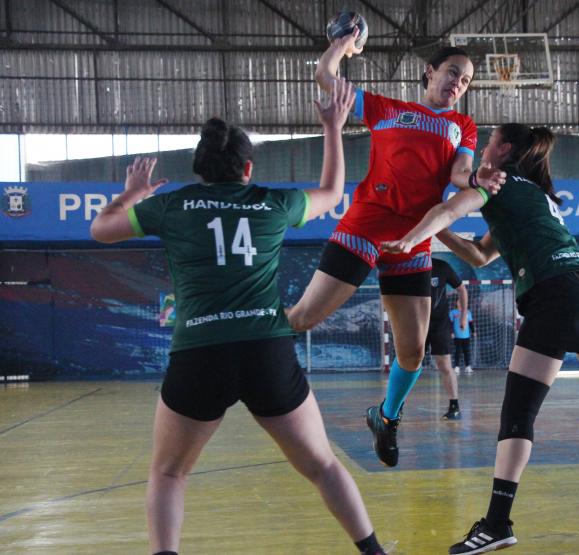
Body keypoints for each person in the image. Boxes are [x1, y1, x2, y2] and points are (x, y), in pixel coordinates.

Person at [90, 84, 387, 555]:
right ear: (248, 169)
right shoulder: (271, 202)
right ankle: (372, 550)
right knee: (322, 465)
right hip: (264, 349)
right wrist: (332, 126)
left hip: (198, 353)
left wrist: (131, 194)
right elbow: (332, 192)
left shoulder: (172, 205)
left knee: (169, 472)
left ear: (199, 169)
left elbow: (100, 230)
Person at [380, 123, 579, 552]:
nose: (483, 149)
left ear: (503, 151)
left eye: (489, 143)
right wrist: (436, 232)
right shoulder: (532, 195)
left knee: (518, 412)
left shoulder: (497, 184)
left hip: (556, 292)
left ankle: (497, 523)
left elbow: (449, 210)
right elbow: (481, 255)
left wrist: (412, 237)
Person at [285, 27, 504, 468]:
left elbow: (460, 173)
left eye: (464, 81)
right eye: (452, 73)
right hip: (366, 224)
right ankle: (237, 341)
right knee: (305, 317)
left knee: (412, 351)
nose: (457, 84)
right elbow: (326, 75)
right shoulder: (387, 109)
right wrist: (343, 46)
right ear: (430, 72)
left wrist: (478, 178)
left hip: (415, 235)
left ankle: (386, 417)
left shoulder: (461, 125)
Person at [428, 257, 468, 420]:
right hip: (416, 323)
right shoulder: (408, 266)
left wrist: (463, 316)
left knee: (445, 364)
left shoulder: (442, 266)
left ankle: (454, 406)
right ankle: (395, 408)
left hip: (439, 324)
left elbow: (461, 289)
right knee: (409, 366)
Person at [450, 304, 474, 373]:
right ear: (456, 303)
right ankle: (456, 367)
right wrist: (451, 332)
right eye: (458, 301)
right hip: (457, 336)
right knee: (458, 351)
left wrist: (473, 331)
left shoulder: (468, 312)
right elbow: (450, 323)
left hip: (466, 336)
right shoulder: (453, 312)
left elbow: (471, 323)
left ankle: (468, 366)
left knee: (467, 351)